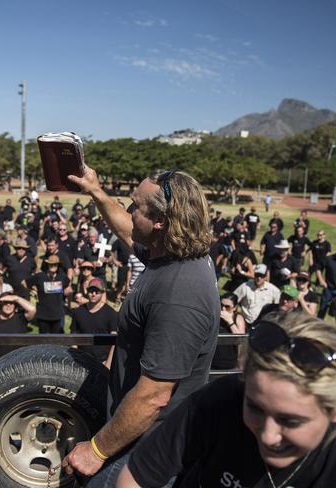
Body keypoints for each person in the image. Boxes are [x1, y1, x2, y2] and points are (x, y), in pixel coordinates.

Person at [61, 167, 219, 486]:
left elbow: (154, 396)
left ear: (160, 221)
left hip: (149, 451)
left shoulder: (179, 292)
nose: (130, 211)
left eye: (135, 205)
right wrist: (96, 191)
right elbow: (127, 230)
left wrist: (96, 450)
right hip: (133, 435)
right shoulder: (168, 254)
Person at [116, 313, 336, 488]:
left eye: (290, 420)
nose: (267, 435)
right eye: (254, 407)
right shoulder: (220, 400)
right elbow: (137, 476)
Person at [70, 278, 118, 364]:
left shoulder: (111, 314)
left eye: (97, 291)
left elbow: (114, 342)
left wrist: (108, 364)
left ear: (103, 292)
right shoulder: (78, 312)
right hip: (82, 360)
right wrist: (75, 360)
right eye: (91, 291)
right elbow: (74, 337)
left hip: (103, 361)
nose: (93, 294)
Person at [0, 292, 36, 362]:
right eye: (5, 303)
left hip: (18, 360)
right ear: (0, 305)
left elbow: (32, 309)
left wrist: (16, 298)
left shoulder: (21, 318)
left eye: (11, 303)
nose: (8, 305)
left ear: (15, 305)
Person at [25, 255, 71, 334]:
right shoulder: (40, 276)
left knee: (55, 340)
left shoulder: (62, 277)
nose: (53, 266)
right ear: (47, 265)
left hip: (57, 314)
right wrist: (33, 291)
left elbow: (67, 285)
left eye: (55, 264)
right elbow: (24, 283)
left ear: (58, 266)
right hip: (43, 314)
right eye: (51, 264)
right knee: (43, 340)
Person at [211, 292, 246, 370]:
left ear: (234, 308)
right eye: (221, 305)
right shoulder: (214, 315)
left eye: (227, 307)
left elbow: (241, 340)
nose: (223, 309)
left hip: (229, 362)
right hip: (212, 360)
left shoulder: (237, 318)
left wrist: (230, 322)